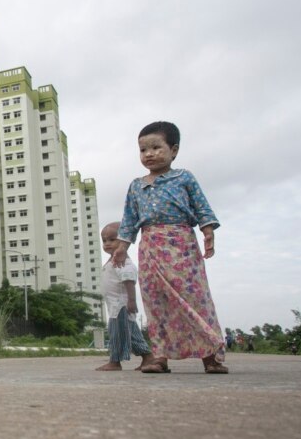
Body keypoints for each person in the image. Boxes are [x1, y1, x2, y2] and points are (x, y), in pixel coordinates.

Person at [112, 121, 228, 374]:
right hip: (150, 247)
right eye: (143, 150)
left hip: (182, 244)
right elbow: (129, 219)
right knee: (156, 302)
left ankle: (211, 356)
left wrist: (208, 231)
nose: (149, 154)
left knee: (196, 298)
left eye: (156, 147)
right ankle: (160, 356)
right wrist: (122, 247)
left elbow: (202, 207)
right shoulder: (135, 185)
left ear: (174, 150)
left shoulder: (184, 177)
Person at [95, 222, 157, 372]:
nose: (107, 243)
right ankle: (148, 356)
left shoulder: (123, 262)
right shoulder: (113, 260)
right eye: (104, 240)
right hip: (116, 306)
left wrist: (131, 301)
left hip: (121, 305)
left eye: (112, 239)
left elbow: (129, 280)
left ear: (124, 242)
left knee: (117, 333)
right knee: (131, 333)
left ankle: (115, 361)